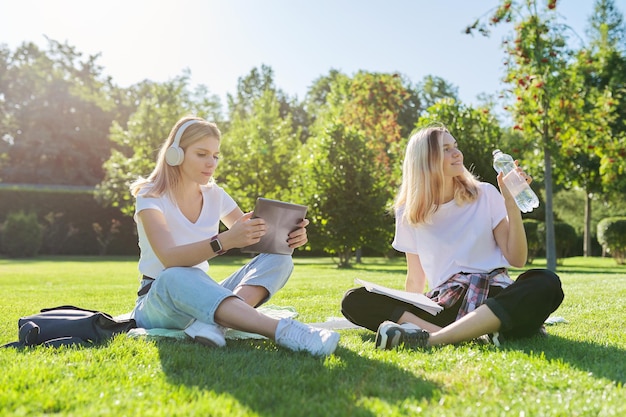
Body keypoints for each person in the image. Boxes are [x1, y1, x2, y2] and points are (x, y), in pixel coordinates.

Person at [130, 116, 339, 356]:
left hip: (200, 294)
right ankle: (288, 332)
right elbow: (169, 258)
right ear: (175, 154)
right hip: (159, 298)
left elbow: (255, 239)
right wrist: (224, 240)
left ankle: (214, 324)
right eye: (202, 154)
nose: (211, 163)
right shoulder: (150, 195)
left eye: (215, 156)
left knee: (280, 259)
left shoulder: (215, 194)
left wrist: (289, 236)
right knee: (174, 275)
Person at [341, 124, 564, 349]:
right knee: (354, 299)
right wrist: (410, 304)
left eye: (455, 146)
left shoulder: (485, 193)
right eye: (446, 149)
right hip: (445, 303)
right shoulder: (408, 211)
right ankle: (478, 334)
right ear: (425, 159)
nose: (457, 153)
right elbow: (415, 278)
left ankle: (436, 339)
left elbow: (517, 259)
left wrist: (511, 202)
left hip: (492, 297)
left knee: (546, 282)